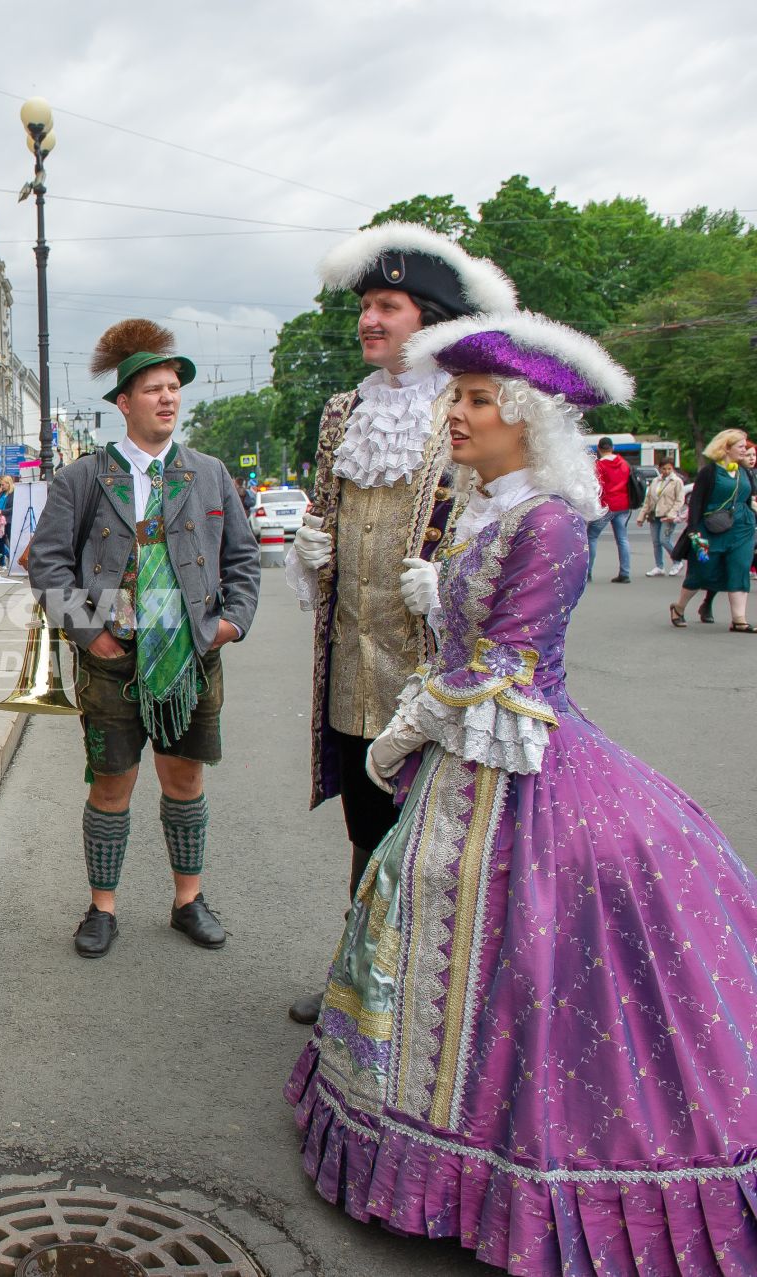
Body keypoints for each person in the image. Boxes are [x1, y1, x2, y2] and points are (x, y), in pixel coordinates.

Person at [287, 311, 757, 1276]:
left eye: (474, 400)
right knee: (441, 936)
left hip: (519, 762)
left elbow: (507, 670)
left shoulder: (547, 521)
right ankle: (417, 1134)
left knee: (530, 952)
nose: (455, 415)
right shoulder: (486, 509)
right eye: (456, 396)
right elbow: (465, 639)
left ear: (527, 418)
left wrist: (408, 725)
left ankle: (503, 1157)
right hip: (464, 757)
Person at [285, 223, 517, 1023]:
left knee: (432, 837)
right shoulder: (342, 412)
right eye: (366, 306)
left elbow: (512, 525)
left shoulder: (469, 407)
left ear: (431, 319)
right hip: (352, 661)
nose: (369, 320)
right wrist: (312, 547)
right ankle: (356, 979)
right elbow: (325, 507)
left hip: (430, 667)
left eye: (389, 305)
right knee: (366, 825)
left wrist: (452, 582)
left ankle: (423, 998)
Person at [26, 320, 260, 958]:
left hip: (193, 658)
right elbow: (46, 564)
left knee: (185, 781)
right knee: (111, 782)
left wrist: (231, 623)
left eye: (174, 389)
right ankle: (102, 907)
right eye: (154, 388)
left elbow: (242, 559)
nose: (168, 398)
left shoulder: (209, 474)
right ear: (124, 403)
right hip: (112, 662)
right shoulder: (83, 478)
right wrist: (89, 633)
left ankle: (189, 899)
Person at [669, 428, 755, 631]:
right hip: (710, 530)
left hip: (743, 529)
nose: (745, 450)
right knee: (701, 571)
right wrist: (694, 531)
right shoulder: (709, 472)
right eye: (741, 446)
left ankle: (739, 620)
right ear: (726, 448)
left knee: (740, 569)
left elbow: (751, 498)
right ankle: (679, 608)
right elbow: (697, 502)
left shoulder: (745, 471)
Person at [586, 435, 633, 582]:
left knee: (592, 537)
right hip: (623, 505)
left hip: (606, 506)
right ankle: (625, 573)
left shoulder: (599, 465)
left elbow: (595, 487)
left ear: (599, 449)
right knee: (622, 539)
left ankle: (587, 572)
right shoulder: (624, 464)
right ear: (612, 448)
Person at [638, 454, 686, 575]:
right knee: (656, 542)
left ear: (673, 469)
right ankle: (659, 566)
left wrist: (672, 514)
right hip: (654, 515)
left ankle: (677, 561)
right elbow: (648, 500)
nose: (666, 471)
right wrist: (641, 517)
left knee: (664, 540)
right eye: (664, 468)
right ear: (659, 468)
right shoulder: (655, 481)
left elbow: (680, 500)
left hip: (668, 516)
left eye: (669, 468)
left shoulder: (676, 481)